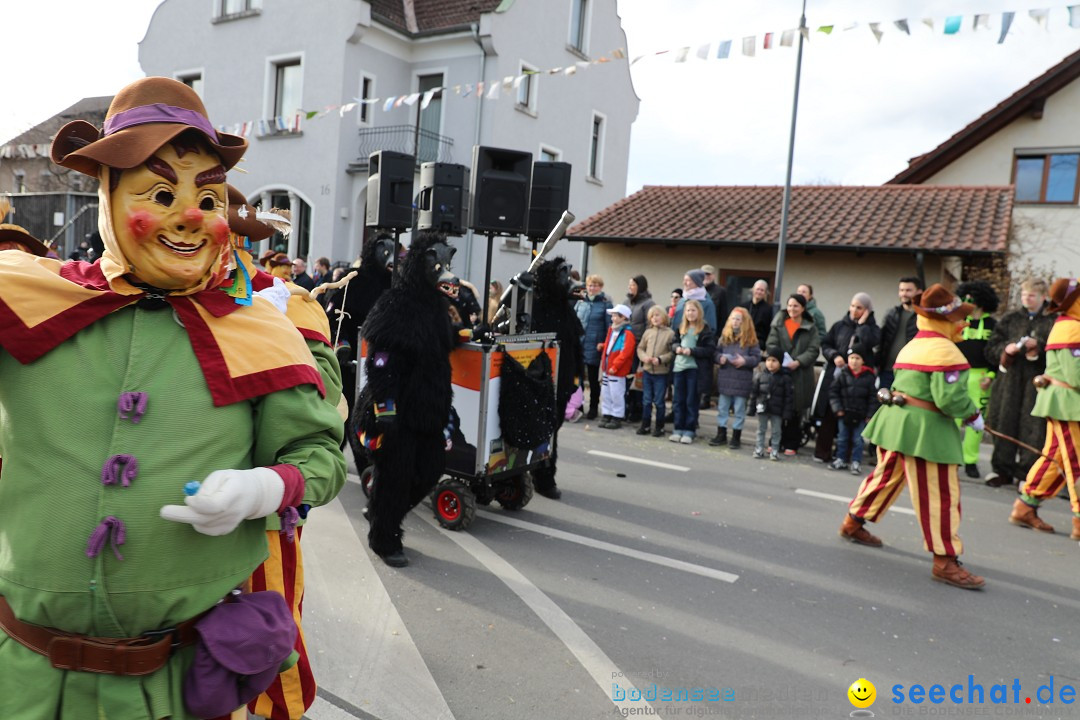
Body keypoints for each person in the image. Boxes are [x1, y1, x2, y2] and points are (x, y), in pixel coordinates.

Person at [0, 76, 346, 718]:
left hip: (171, 690)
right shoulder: (24, 299)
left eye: (206, 198)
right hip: (21, 681)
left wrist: (264, 488)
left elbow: (320, 454)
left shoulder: (262, 327)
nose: (189, 216)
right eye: (161, 194)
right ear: (107, 196)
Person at [838, 284, 985, 590]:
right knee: (940, 495)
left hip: (896, 423)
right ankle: (945, 559)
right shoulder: (946, 352)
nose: (963, 323)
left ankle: (853, 521)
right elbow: (950, 399)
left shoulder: (913, 344)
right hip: (925, 431)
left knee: (885, 477)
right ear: (943, 320)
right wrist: (972, 415)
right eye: (958, 317)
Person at [1009, 277, 1080, 539]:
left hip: (1065, 402)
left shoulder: (1070, 325)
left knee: (1057, 457)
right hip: (1068, 404)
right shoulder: (1072, 328)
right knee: (1075, 460)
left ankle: (1025, 506)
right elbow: (1076, 376)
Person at [984, 278, 1055, 487]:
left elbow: (1058, 353)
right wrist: (1006, 350)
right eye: (1024, 295)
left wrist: (1038, 349)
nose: (1027, 299)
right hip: (1008, 383)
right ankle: (1001, 470)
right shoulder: (1010, 319)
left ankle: (1027, 474)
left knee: (1033, 428)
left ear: (1043, 297)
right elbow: (991, 349)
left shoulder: (1052, 321)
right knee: (1003, 422)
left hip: (1037, 383)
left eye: (1031, 295)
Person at [813, 293, 880, 463]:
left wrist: (862, 325)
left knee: (851, 417)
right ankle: (822, 452)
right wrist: (834, 355)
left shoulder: (872, 329)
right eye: (852, 306)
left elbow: (869, 343)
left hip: (858, 381)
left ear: (867, 310)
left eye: (859, 308)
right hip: (837, 376)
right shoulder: (839, 326)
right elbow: (826, 344)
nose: (854, 310)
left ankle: (844, 456)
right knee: (830, 412)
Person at [954, 280, 1000, 479]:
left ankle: (970, 460)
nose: (968, 301)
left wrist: (991, 375)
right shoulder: (958, 321)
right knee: (952, 419)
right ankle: (951, 457)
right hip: (957, 374)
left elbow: (996, 353)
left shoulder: (993, 325)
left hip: (981, 378)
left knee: (976, 421)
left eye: (971, 298)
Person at [766, 293, 821, 455]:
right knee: (778, 407)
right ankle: (775, 441)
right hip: (780, 371)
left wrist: (798, 361)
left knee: (796, 409)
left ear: (803, 308)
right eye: (790, 305)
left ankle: (792, 442)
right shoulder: (779, 324)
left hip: (800, 374)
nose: (792, 309)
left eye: (796, 306)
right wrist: (779, 360)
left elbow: (813, 349)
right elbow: (771, 344)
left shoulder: (811, 327)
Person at [710, 307, 761, 449]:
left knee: (739, 409)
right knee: (723, 408)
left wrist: (744, 361)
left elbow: (756, 358)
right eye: (733, 319)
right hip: (726, 378)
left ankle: (736, 436)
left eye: (738, 319)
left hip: (741, 379)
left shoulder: (751, 340)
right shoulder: (725, 337)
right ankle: (721, 433)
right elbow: (716, 353)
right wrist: (720, 358)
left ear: (745, 322)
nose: (735, 322)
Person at [828, 342, 877, 475]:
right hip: (844, 413)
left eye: (857, 358)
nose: (854, 361)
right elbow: (833, 392)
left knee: (858, 440)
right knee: (842, 438)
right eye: (851, 358)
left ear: (863, 360)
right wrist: (837, 408)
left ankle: (856, 462)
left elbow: (873, 398)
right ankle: (841, 459)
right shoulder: (842, 374)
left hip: (860, 415)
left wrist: (870, 415)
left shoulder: (869, 377)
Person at [669, 299, 714, 444]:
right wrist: (676, 347)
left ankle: (689, 429)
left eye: (693, 310)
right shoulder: (680, 327)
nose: (690, 313)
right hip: (679, 368)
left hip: (694, 369)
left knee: (691, 400)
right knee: (678, 400)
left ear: (699, 312)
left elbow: (709, 350)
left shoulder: (704, 329)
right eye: (688, 310)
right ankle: (678, 428)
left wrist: (692, 351)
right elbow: (673, 342)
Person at [575, 274, 613, 420]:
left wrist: (603, 343)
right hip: (580, 345)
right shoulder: (580, 303)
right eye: (590, 285)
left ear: (600, 287)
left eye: (595, 285)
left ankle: (593, 407)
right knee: (577, 379)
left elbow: (609, 327)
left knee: (592, 379)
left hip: (595, 346)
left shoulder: (605, 304)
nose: (592, 288)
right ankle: (578, 405)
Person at [877, 276, 923, 391]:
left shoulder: (922, 317)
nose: (904, 294)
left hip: (909, 372)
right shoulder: (891, 314)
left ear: (919, 292)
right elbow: (881, 341)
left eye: (908, 290)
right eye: (901, 290)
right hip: (887, 371)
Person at [636, 305, 675, 437]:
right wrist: (644, 357)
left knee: (659, 401)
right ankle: (645, 424)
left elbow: (672, 353)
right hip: (647, 371)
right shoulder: (648, 332)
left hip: (661, 373)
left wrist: (660, 359)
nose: (655, 318)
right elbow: (640, 348)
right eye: (652, 316)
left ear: (664, 317)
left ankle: (659, 426)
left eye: (657, 315)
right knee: (646, 400)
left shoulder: (670, 334)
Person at [751, 349, 794, 461]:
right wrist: (751, 408)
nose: (770, 363)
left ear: (780, 362)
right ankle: (759, 448)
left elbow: (788, 397)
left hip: (777, 409)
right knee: (761, 429)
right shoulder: (760, 375)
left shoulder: (785, 378)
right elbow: (754, 393)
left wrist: (786, 413)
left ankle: (774, 449)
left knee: (776, 431)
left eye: (774, 360)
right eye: (768, 360)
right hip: (763, 407)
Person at [598, 304, 637, 429]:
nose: (612, 318)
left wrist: (616, 366)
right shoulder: (612, 330)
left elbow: (625, 352)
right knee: (606, 392)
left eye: (615, 316)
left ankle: (617, 415)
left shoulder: (627, 333)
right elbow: (610, 345)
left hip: (616, 370)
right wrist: (603, 346)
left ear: (623, 317)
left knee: (616, 393)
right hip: (607, 367)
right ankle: (607, 413)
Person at [625, 275, 656, 423]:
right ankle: (627, 407)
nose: (630, 287)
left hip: (639, 346)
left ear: (640, 286)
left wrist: (645, 346)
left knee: (638, 379)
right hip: (626, 345)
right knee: (627, 377)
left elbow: (649, 326)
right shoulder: (627, 301)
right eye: (629, 284)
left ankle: (637, 409)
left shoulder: (648, 303)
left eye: (633, 285)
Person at [742, 279, 772, 351]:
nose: (759, 292)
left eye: (762, 290)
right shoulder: (743, 306)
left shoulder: (769, 309)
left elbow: (769, 330)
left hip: (759, 344)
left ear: (765, 293)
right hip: (743, 341)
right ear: (753, 290)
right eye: (757, 289)